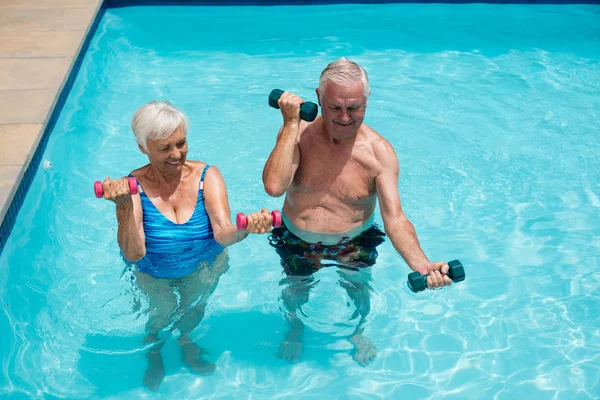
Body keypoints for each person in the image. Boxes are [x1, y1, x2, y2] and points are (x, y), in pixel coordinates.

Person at [262, 58, 452, 367]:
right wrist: (289, 124)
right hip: (297, 238)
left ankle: (358, 332)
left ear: (367, 101)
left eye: (355, 108)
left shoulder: (379, 154)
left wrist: (422, 264)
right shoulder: (297, 134)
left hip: (355, 241)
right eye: (335, 108)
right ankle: (295, 329)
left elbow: (395, 218)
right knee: (296, 291)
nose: (346, 118)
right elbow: (274, 186)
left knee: (359, 289)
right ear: (318, 98)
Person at [101, 100, 274, 391]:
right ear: (144, 148)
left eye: (181, 143)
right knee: (162, 311)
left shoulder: (208, 176)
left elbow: (223, 233)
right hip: (154, 269)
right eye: (165, 148)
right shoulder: (132, 185)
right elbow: (134, 253)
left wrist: (246, 228)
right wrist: (123, 208)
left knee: (194, 307)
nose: (176, 154)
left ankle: (185, 340)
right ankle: (153, 348)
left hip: (204, 262)